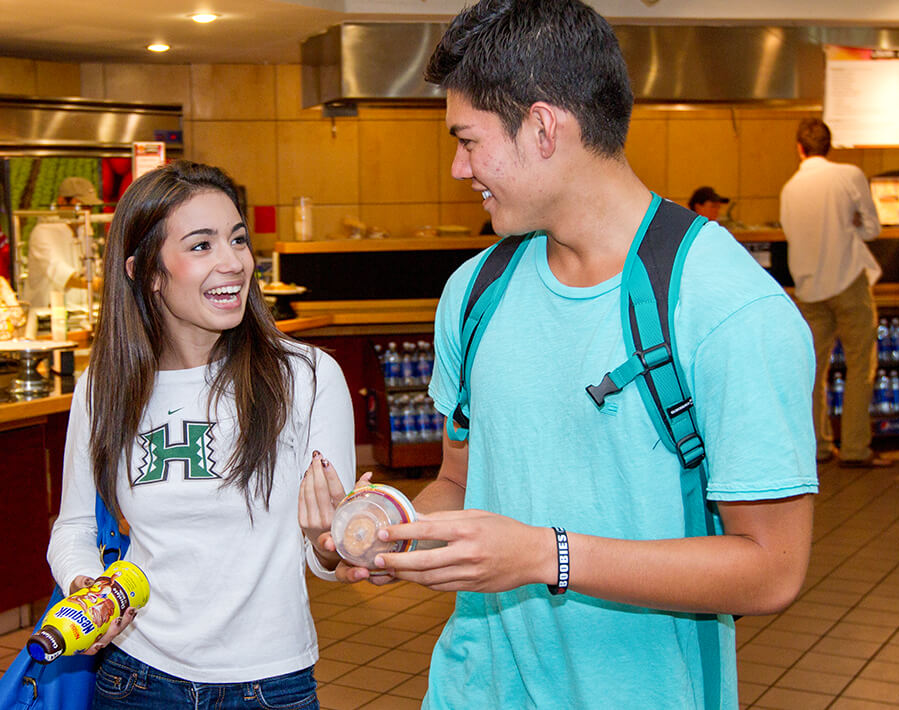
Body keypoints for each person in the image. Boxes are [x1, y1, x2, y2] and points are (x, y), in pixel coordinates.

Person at [305, 2, 818, 708]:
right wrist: (388, 537)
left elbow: (772, 570)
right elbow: (459, 484)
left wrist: (546, 555)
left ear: (544, 127)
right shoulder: (475, 291)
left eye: (467, 139)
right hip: (471, 688)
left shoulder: (728, 309)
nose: (458, 168)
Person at [47, 160, 355, 710]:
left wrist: (330, 541)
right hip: (136, 677)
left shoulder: (305, 377)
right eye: (201, 245)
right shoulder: (105, 387)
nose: (233, 262)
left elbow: (330, 562)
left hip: (272, 683)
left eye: (237, 239)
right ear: (147, 272)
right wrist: (88, 592)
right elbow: (72, 528)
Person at [780, 118, 887, 467]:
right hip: (848, 280)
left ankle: (818, 447)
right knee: (859, 366)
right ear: (830, 145)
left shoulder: (790, 188)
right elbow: (872, 229)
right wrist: (854, 222)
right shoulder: (849, 175)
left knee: (812, 370)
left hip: (809, 289)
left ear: (800, 148)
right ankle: (856, 449)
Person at [25, 176, 98, 316]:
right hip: (47, 316)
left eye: (90, 207)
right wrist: (97, 284)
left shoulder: (85, 230)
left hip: (80, 312)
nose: (87, 212)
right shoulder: (43, 231)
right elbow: (61, 273)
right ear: (62, 201)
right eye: (81, 206)